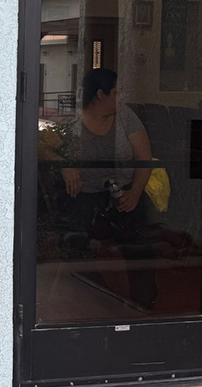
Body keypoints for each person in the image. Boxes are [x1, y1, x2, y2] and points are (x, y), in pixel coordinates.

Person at [58, 68, 158, 309]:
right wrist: (65, 166)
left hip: (123, 192)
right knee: (76, 244)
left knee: (139, 247)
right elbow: (47, 148)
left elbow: (145, 158)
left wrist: (134, 193)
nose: (121, 97)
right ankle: (97, 297)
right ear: (101, 95)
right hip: (86, 196)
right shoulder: (72, 122)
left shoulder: (125, 116)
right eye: (117, 92)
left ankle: (144, 305)